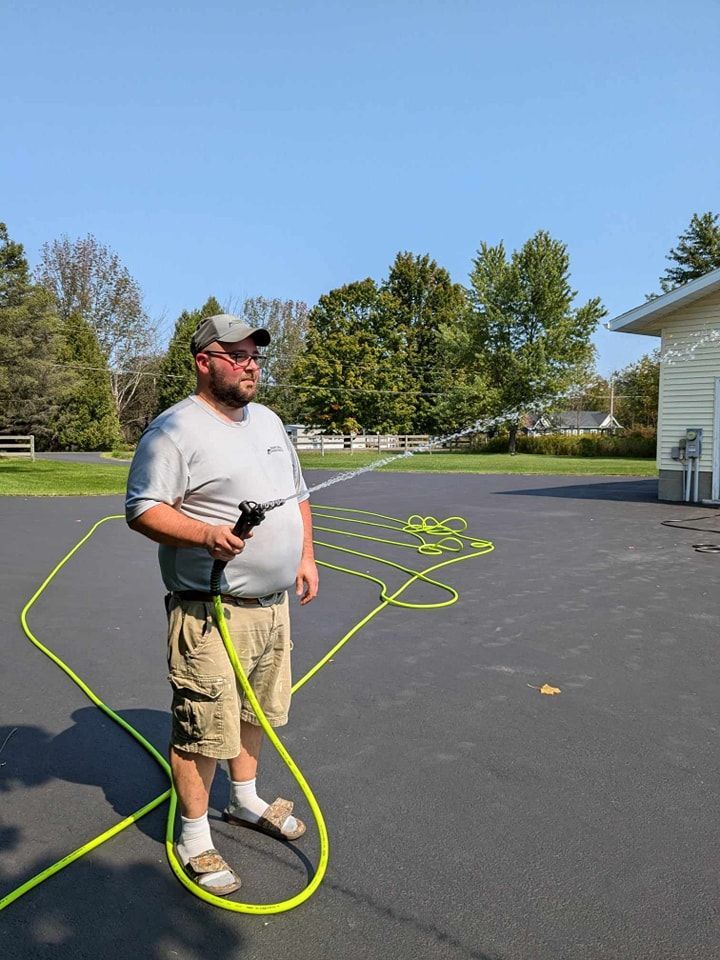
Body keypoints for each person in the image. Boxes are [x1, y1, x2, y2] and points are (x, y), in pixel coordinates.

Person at [125, 313, 319, 896]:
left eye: (254, 355)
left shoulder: (270, 421)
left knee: (256, 711)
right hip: (209, 610)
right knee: (202, 725)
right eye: (236, 355)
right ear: (203, 362)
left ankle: (244, 799)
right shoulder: (174, 431)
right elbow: (142, 509)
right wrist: (205, 535)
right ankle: (193, 836)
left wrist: (305, 556)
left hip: (272, 605)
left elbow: (298, 495)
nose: (249, 364)